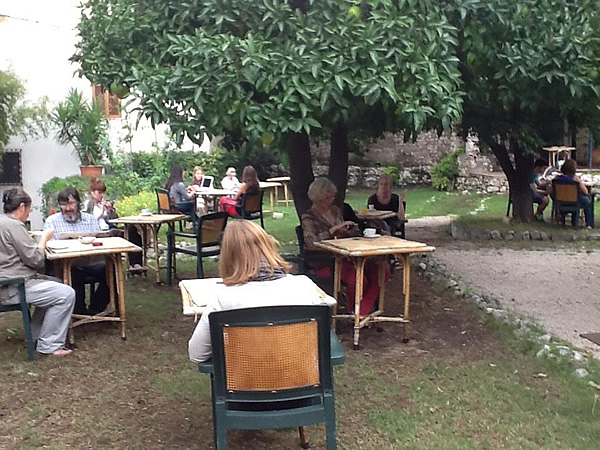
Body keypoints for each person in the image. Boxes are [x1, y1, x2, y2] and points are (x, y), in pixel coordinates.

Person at [188, 220, 336, 362]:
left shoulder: (222, 298)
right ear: (268, 246)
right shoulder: (304, 286)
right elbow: (321, 342)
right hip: (303, 382)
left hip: (243, 384)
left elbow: (197, 354)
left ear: (227, 256)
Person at [0, 188, 75, 356]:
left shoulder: (3, 222)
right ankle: (49, 345)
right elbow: (36, 260)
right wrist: (43, 240)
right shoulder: (14, 226)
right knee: (65, 294)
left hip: (7, 282)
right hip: (12, 286)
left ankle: (34, 336)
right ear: (21, 207)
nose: (28, 213)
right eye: (28, 209)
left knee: (55, 285)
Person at [301, 177, 384, 316]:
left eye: (333, 196)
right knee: (358, 278)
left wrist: (348, 231)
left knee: (381, 270)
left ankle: (361, 311)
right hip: (325, 260)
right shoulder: (309, 217)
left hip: (346, 256)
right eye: (329, 197)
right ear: (319, 197)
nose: (332, 199)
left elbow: (341, 235)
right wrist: (332, 230)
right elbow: (311, 242)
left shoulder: (335, 211)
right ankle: (355, 311)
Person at [44, 187, 111, 315]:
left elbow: (100, 243)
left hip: (91, 263)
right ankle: (79, 312)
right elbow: (48, 248)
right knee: (72, 273)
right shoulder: (52, 222)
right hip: (66, 265)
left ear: (78, 203)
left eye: (71, 203)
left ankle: (96, 307)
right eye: (63, 205)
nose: (68, 208)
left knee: (111, 270)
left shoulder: (90, 220)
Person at [555, 159, 593, 228]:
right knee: (587, 201)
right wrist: (580, 182)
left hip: (560, 202)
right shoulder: (575, 179)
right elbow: (586, 191)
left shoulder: (557, 179)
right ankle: (589, 224)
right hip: (575, 201)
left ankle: (565, 217)